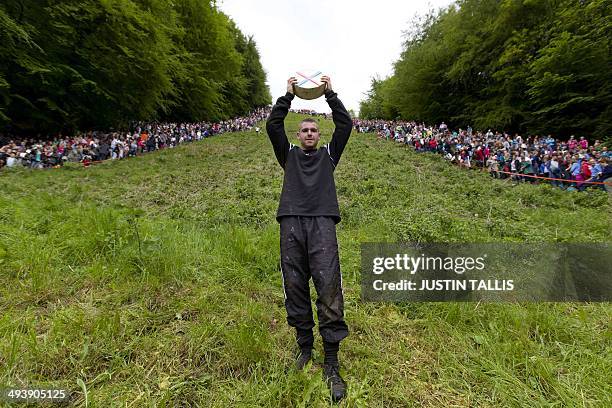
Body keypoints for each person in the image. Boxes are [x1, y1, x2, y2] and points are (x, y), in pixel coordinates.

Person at [266, 75, 351, 402]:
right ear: (298, 135)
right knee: (295, 284)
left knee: (328, 283)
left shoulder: (329, 155)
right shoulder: (288, 155)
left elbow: (345, 124)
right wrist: (287, 96)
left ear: (320, 134)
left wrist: (329, 93)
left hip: (322, 224)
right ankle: (304, 348)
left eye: (314, 130)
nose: (310, 134)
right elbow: (273, 126)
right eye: (305, 130)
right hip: (290, 222)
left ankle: (331, 362)